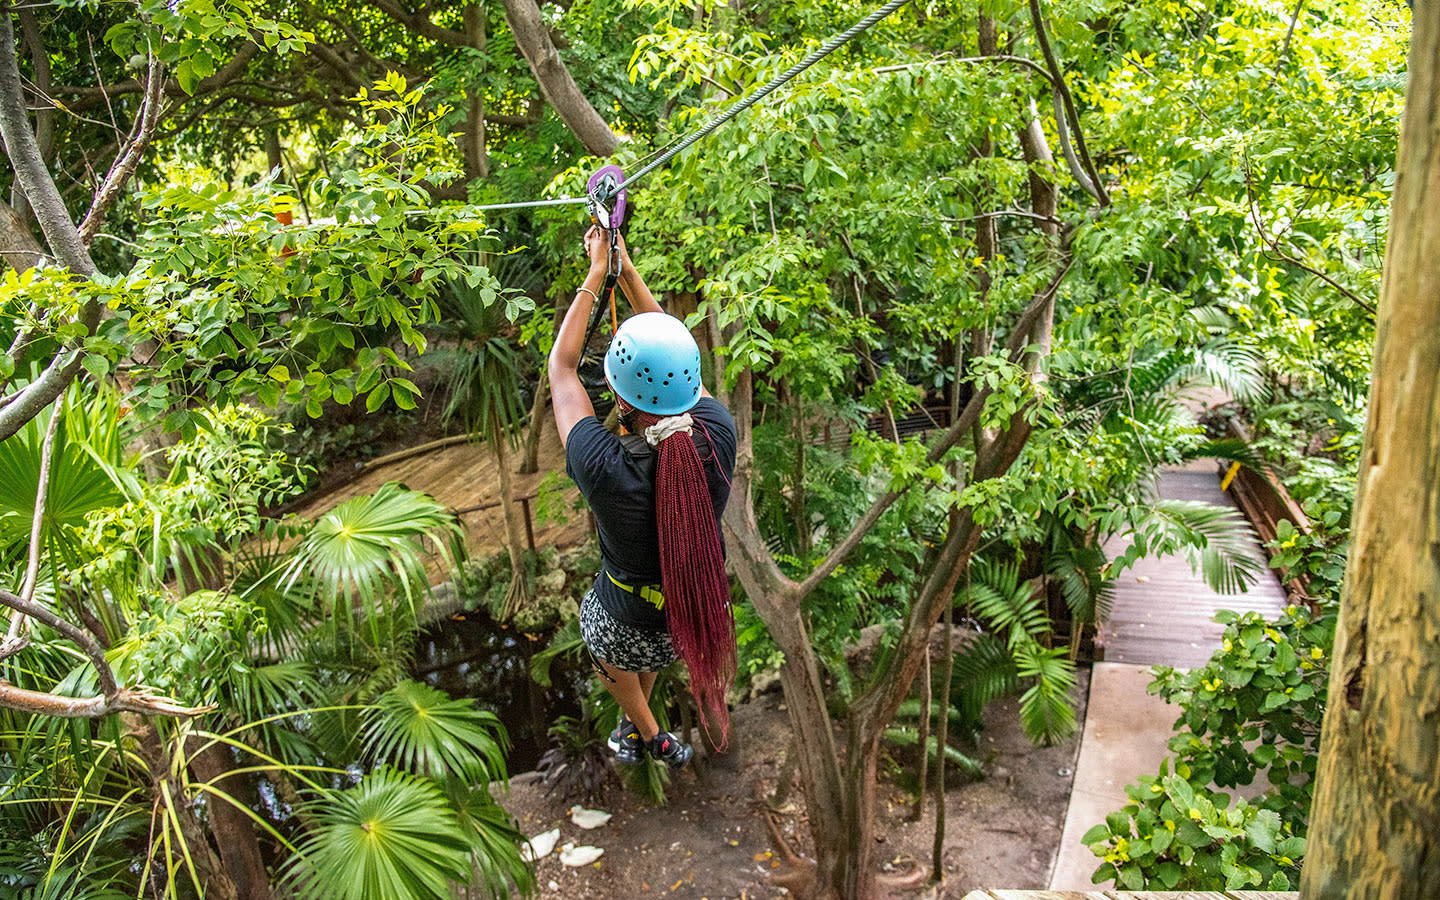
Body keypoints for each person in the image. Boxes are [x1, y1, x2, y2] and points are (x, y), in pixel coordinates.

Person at [548, 226, 737, 769]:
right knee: (641, 641)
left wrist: (597, 273)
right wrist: (627, 273)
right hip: (687, 621)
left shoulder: (605, 466)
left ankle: (651, 733)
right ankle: (640, 728)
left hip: (626, 630)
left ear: (619, 396)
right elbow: (679, 370)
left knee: (601, 637)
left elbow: (562, 369)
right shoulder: (717, 434)